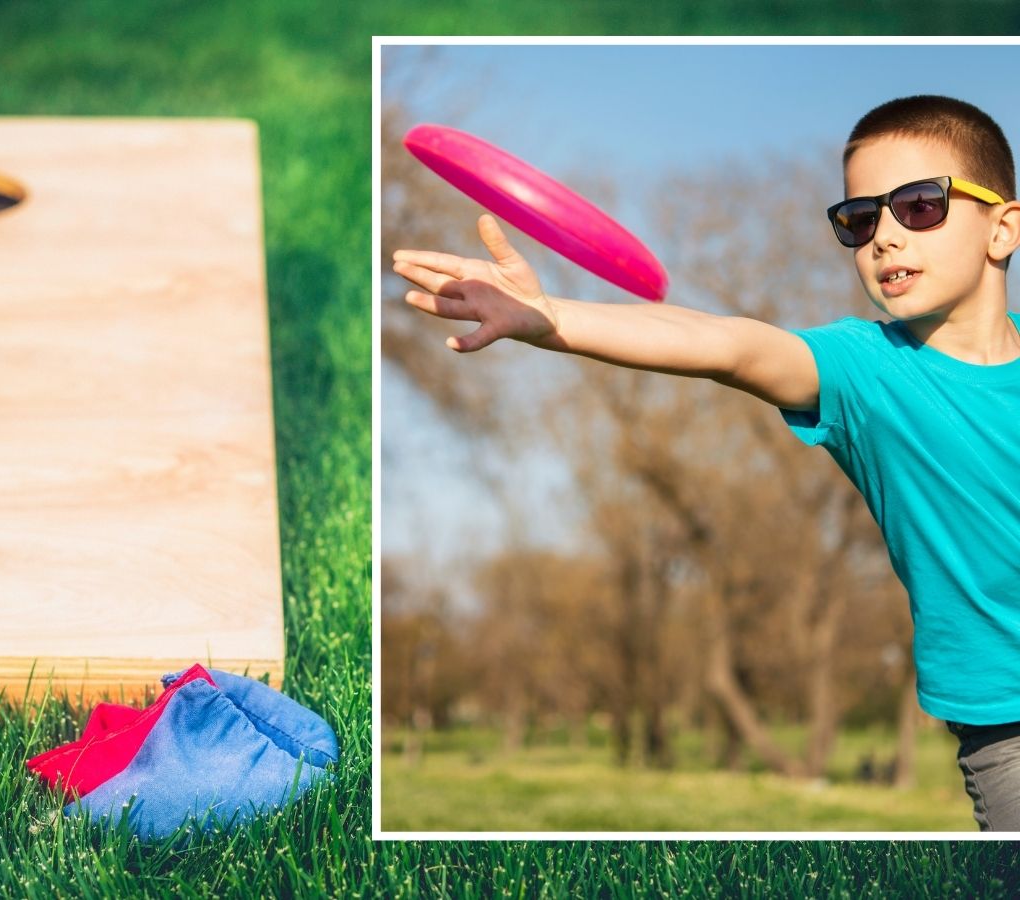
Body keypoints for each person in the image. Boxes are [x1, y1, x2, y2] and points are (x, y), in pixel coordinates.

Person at [393, 95, 1020, 831]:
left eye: (918, 206)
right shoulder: (867, 371)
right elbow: (727, 345)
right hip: (1006, 723)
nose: (882, 237)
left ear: (1002, 227)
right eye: (859, 218)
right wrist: (556, 318)